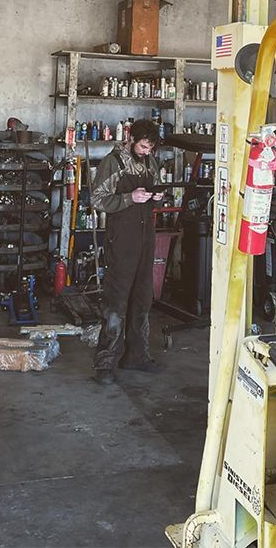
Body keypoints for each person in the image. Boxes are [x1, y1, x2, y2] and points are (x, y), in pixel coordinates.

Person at [91, 118, 165, 385]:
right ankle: (105, 363)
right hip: (121, 239)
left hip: (146, 238)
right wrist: (128, 198)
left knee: (143, 297)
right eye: (143, 146)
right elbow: (97, 199)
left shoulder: (149, 161)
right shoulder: (114, 163)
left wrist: (158, 196)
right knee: (117, 299)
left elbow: (156, 185)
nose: (146, 152)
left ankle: (137, 355)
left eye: (150, 148)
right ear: (131, 139)